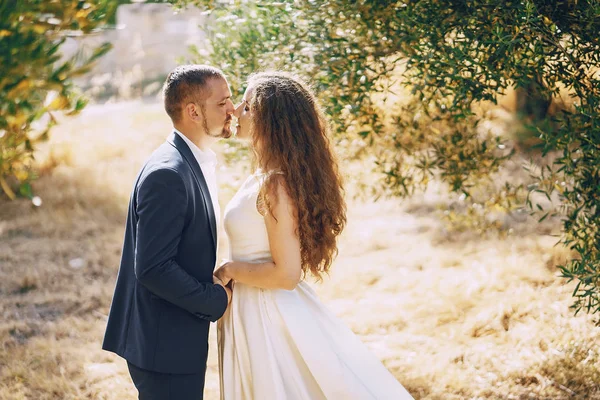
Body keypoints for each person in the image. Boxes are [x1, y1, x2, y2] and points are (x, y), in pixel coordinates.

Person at [214, 71, 414, 399]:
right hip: (253, 308)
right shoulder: (265, 176)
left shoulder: (275, 185)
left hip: (268, 314)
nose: (235, 111)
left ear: (271, 121)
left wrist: (228, 270)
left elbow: (286, 274)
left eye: (247, 106)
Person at [102, 65, 235, 400]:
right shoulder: (169, 174)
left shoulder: (192, 161)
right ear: (193, 111)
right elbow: (152, 268)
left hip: (174, 340)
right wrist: (215, 300)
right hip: (164, 347)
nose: (232, 109)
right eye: (223, 103)